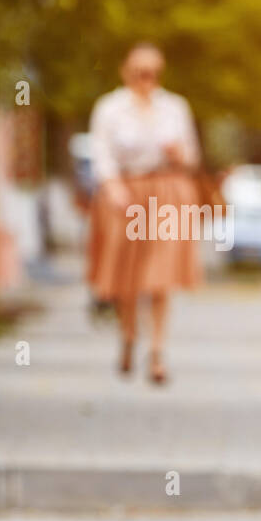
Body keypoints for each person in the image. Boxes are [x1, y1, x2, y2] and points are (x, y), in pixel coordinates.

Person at [86, 42, 204, 385]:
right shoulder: (109, 108)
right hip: (125, 194)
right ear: (126, 71)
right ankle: (128, 336)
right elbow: (101, 153)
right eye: (140, 71)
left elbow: (192, 158)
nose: (146, 78)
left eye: (152, 72)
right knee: (127, 278)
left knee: (160, 277)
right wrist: (112, 187)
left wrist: (179, 155)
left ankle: (156, 352)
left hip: (168, 193)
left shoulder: (174, 107)